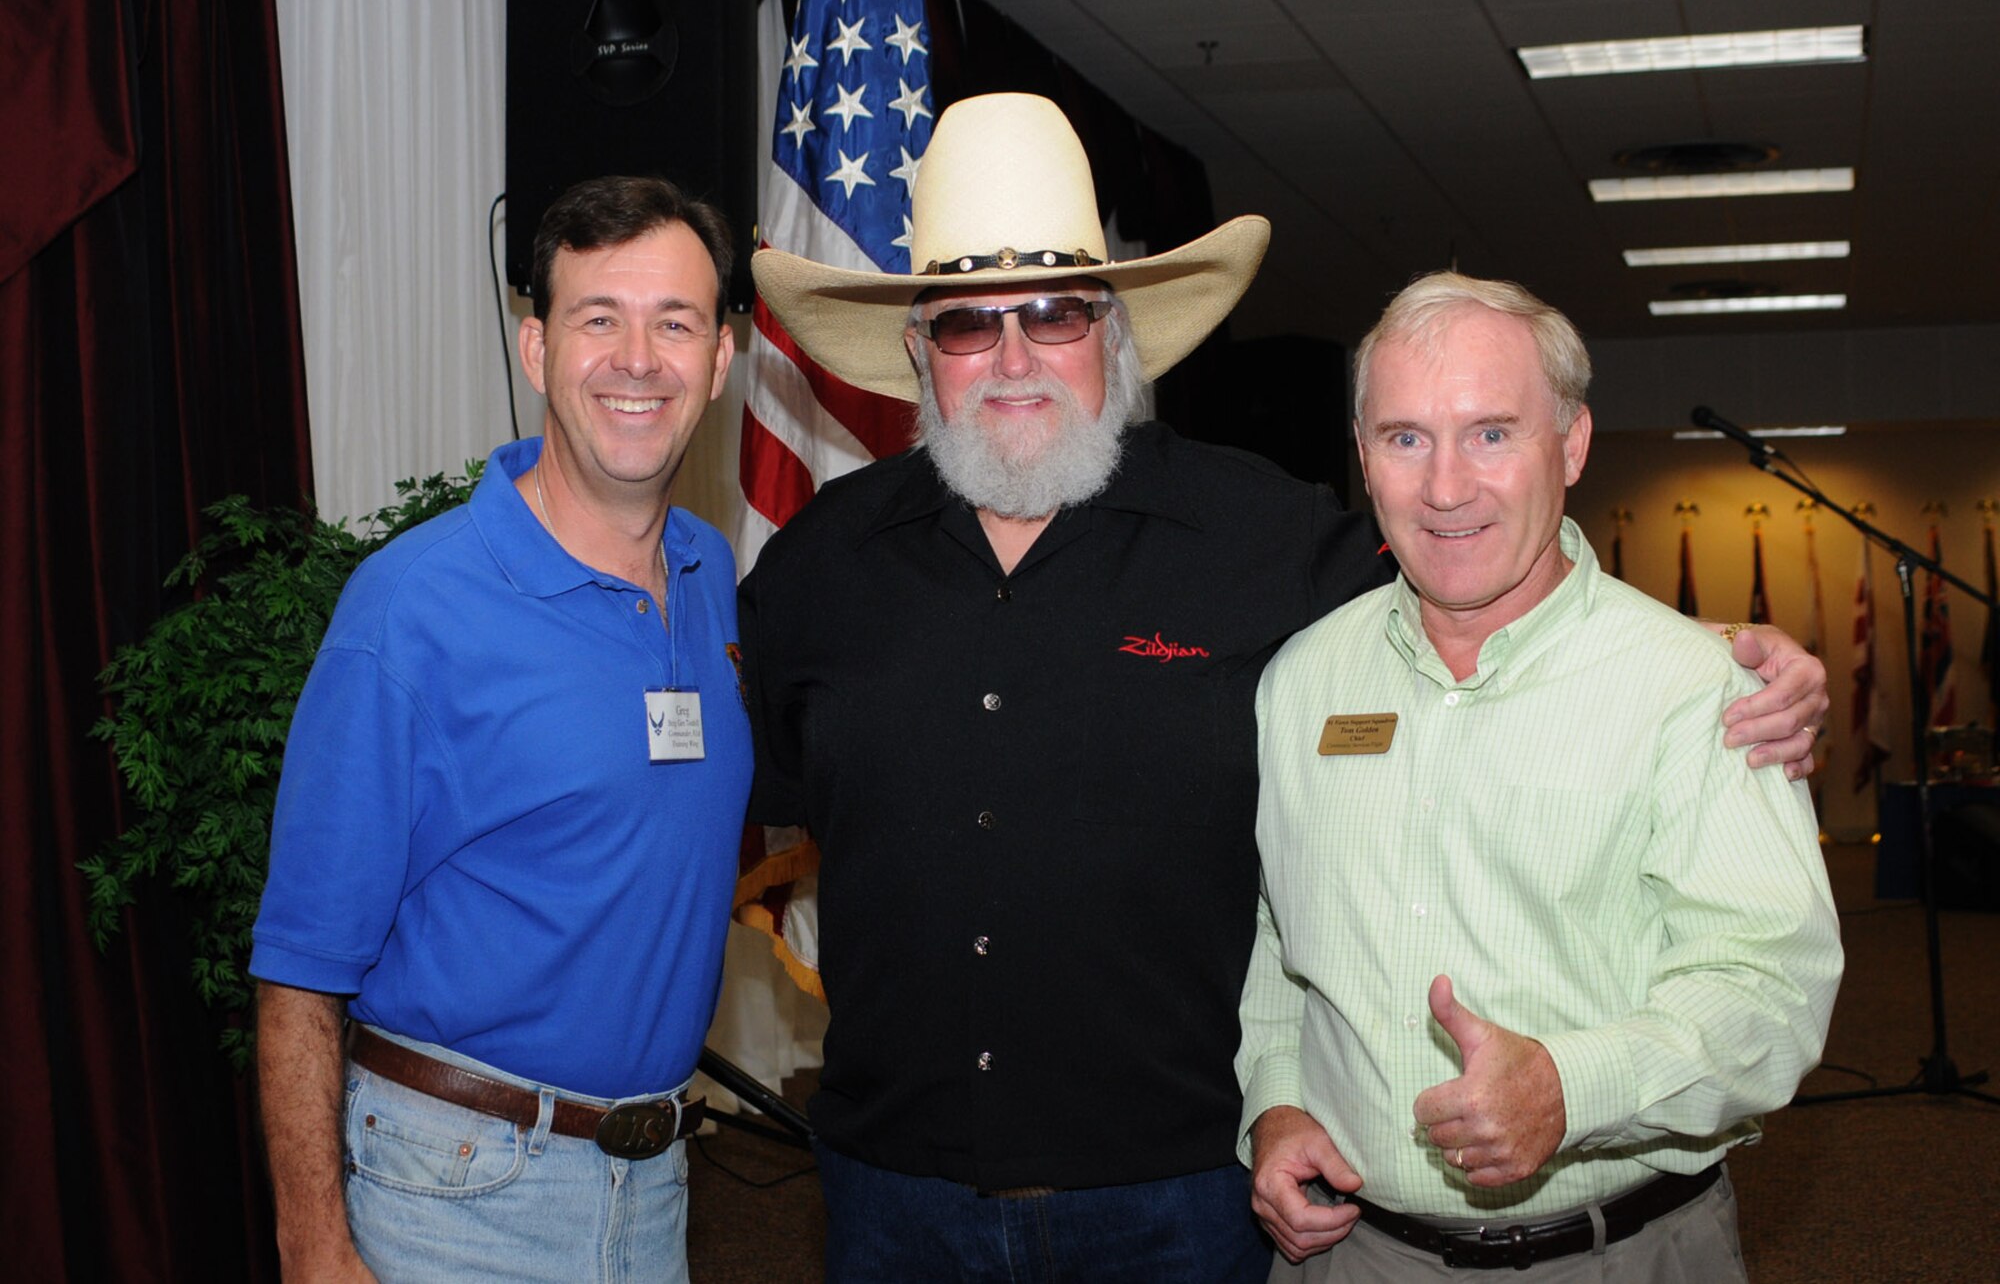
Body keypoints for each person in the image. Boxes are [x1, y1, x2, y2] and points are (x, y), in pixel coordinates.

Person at [741, 94, 1827, 1281]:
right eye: (965, 325)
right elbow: (756, 790)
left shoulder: (1264, 536)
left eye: (1053, 313)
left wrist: (1701, 650)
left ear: (1113, 333)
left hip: (1177, 1199)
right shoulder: (815, 567)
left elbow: (1468, 565)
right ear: (915, 351)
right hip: (896, 1194)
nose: (1012, 359)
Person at [1239, 272, 1845, 1280]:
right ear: (1361, 455)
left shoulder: (1697, 688)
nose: (1444, 486)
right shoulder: (1300, 682)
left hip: (1622, 1253)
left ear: (1567, 445)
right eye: (1403, 437)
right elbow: (1272, 937)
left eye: (1489, 433)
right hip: (1352, 1261)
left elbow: (1770, 988)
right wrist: (1276, 1100)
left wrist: (1573, 1084)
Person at [249, 176, 749, 1283]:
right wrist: (313, 1244)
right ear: (536, 349)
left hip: (657, 1185)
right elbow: (297, 973)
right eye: (597, 318)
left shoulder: (712, 576)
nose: (637, 358)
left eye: (675, 322)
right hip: (454, 1195)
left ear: (719, 360)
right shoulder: (410, 609)